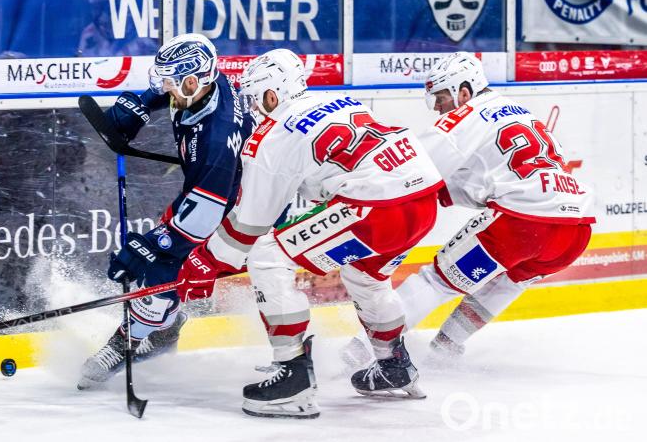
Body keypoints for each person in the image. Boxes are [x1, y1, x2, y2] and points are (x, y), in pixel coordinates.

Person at [174, 49, 444, 418]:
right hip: (423, 201)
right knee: (365, 276)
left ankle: (293, 378)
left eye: (254, 98)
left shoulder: (274, 133)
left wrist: (205, 262)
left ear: (272, 95)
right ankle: (394, 365)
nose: (253, 109)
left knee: (268, 256)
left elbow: (250, 225)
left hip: (375, 208)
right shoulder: (338, 101)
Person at [78, 33, 257, 389]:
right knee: (162, 256)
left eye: (170, 83)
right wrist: (143, 104)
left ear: (192, 82)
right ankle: (164, 329)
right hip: (214, 193)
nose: (165, 88)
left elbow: (204, 216)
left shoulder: (216, 140)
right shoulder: (208, 83)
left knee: (164, 266)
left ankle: (127, 344)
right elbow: (169, 90)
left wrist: (149, 246)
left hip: (239, 212)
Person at [393, 52, 595, 355]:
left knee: (437, 282)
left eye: (441, 98)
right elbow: (499, 178)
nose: (437, 107)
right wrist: (445, 193)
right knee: (508, 282)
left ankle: (364, 350)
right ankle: (445, 348)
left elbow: (417, 164)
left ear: (464, 92)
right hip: (575, 232)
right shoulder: (523, 114)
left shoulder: (469, 113)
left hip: (521, 227)